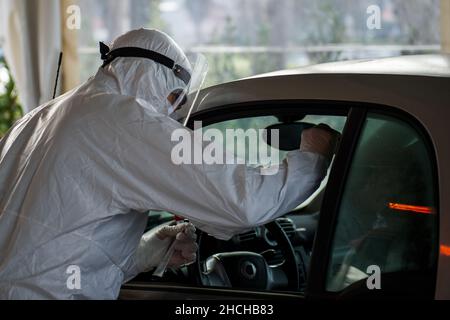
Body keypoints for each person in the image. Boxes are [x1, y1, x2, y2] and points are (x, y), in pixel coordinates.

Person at [0, 28, 339, 299]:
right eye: (175, 97)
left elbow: (46, 238)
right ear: (149, 76)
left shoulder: (36, 119)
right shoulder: (126, 120)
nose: (173, 111)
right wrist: (312, 157)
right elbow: (243, 203)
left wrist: (148, 251)